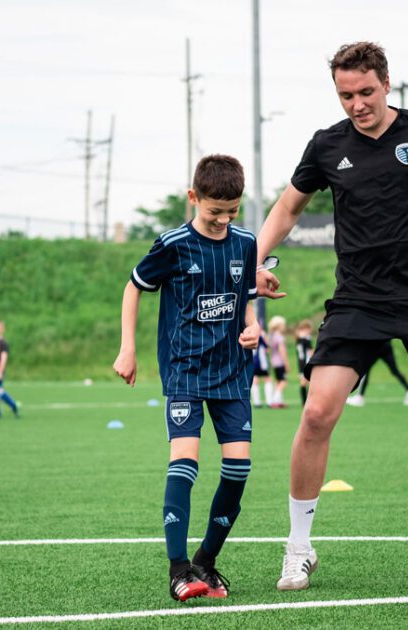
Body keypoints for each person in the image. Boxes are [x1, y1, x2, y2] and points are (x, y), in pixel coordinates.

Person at [255, 42, 408, 591]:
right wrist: (259, 261)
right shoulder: (326, 145)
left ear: (387, 83)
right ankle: (298, 547)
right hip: (358, 300)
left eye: (365, 92)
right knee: (316, 413)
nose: (357, 104)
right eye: (345, 95)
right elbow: (288, 208)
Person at [112, 154, 261, 603]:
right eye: (214, 211)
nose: (222, 220)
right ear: (194, 198)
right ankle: (179, 571)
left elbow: (246, 298)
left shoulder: (246, 243)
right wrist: (128, 347)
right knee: (186, 461)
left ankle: (207, 562)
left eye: (231, 211)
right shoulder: (173, 244)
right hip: (185, 370)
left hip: (232, 371)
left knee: (238, 469)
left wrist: (252, 326)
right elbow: (134, 286)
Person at [345, 340, 408, 407]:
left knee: (365, 370)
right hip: (386, 344)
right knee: (395, 370)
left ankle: (359, 397)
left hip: (375, 345)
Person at [266, 316, 290, 408]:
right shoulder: (279, 337)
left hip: (274, 362)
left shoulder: (271, 336)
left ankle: (279, 400)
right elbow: (282, 352)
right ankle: (275, 400)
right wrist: (286, 364)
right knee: (283, 381)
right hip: (280, 362)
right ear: (279, 326)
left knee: (278, 381)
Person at [250, 325, 270, 408]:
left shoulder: (249, 336)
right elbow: (267, 349)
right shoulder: (260, 337)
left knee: (255, 380)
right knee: (267, 379)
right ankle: (270, 401)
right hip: (261, 362)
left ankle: (257, 402)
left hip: (252, 361)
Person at [295, 320, 314, 406]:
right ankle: (309, 401)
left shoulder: (298, 338)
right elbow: (310, 351)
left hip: (300, 362)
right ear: (306, 328)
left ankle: (304, 402)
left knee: (303, 382)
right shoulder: (306, 339)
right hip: (307, 362)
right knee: (310, 382)